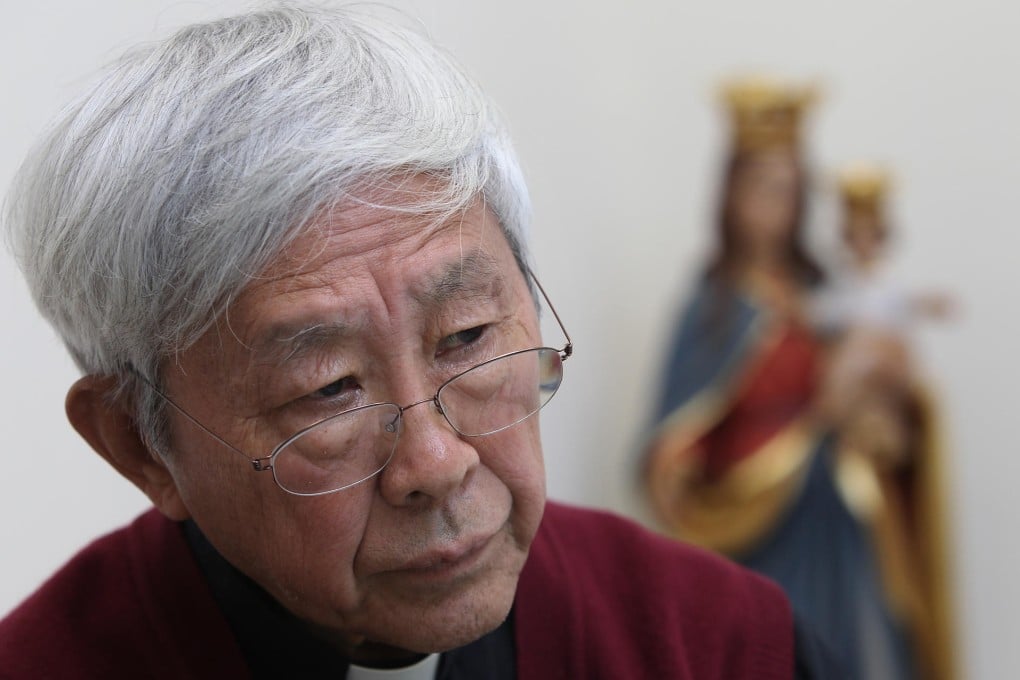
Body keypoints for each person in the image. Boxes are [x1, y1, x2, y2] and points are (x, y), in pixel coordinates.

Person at [0, 6, 834, 678]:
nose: (437, 466)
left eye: (468, 337)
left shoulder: (709, 641)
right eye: (328, 387)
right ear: (140, 445)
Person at [642, 78, 956, 680]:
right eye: (761, 187)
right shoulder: (712, 311)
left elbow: (880, 396)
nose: (774, 206)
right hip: (759, 532)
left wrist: (893, 397)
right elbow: (672, 443)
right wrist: (696, 475)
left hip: (841, 521)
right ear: (731, 193)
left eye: (788, 190)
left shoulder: (823, 298)